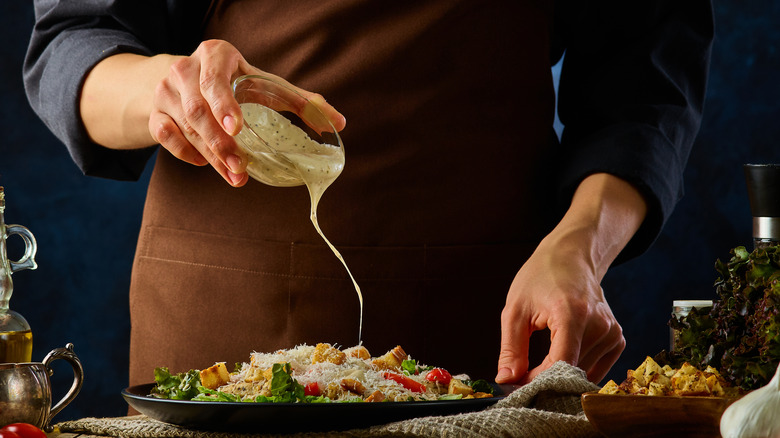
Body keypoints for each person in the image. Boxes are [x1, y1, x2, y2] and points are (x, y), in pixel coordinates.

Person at [24, 0, 713, 388]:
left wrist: (579, 246)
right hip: (227, 339)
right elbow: (72, 41)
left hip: (489, 338)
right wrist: (164, 88)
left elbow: (645, 81)